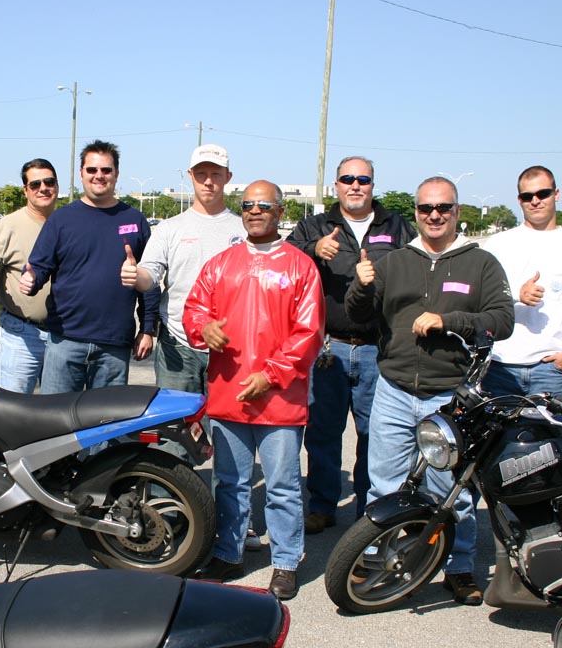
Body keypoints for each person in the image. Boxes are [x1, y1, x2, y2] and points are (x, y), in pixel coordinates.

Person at [345, 176, 513, 606]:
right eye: (425, 208)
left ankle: (458, 567)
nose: (434, 215)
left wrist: (449, 321)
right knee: (384, 485)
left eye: (443, 208)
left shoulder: (481, 263)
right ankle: (381, 557)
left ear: (457, 212)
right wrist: (361, 285)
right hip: (394, 389)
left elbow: (502, 321)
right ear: (416, 213)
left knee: (450, 491)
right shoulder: (394, 261)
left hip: (449, 396)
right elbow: (358, 315)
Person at [183, 181, 322, 601]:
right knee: (229, 482)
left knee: (282, 485)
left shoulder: (301, 267)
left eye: (264, 205)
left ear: (281, 212)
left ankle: (286, 562)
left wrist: (271, 375)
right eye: (248, 205)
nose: (255, 211)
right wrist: (203, 328)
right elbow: (195, 310)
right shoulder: (221, 264)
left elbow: (309, 333)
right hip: (229, 393)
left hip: (280, 397)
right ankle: (229, 553)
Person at [288, 156, 414, 532]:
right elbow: (285, 261)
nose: (355, 185)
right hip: (329, 349)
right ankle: (322, 505)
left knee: (375, 434)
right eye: (347, 179)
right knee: (323, 433)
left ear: (373, 184)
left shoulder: (397, 226)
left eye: (363, 179)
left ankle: (369, 510)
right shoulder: (314, 226)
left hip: (379, 348)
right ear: (336, 185)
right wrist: (313, 250)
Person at [20, 140, 158, 392]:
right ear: (81, 173)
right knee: (56, 415)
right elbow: (38, 266)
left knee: (106, 417)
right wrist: (31, 280)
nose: (99, 176)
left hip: (113, 346)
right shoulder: (61, 219)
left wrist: (147, 329)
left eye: (106, 170)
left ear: (116, 173)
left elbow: (150, 280)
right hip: (65, 340)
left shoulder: (134, 220)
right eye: (92, 170)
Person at [121, 144, 244, 392]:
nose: (208, 181)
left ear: (228, 177)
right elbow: (150, 274)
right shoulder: (169, 228)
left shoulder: (244, 229)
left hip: (231, 345)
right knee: (177, 417)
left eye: (216, 174)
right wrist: (136, 276)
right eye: (201, 174)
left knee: (225, 418)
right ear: (190, 175)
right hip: (177, 344)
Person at [482, 166, 562, 400]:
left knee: (550, 427)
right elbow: (480, 299)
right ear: (519, 200)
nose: (535, 201)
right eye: (527, 196)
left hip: (551, 370)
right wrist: (517, 295)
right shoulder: (497, 245)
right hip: (500, 367)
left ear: (556, 194)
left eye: (542, 194)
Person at [0, 158, 59, 392]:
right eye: (35, 184)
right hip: (21, 334)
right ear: (25, 190)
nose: (43, 188)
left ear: (57, 186)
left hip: (63, 336)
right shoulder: (9, 226)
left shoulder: (68, 224)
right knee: (13, 406)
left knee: (58, 407)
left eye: (49, 182)